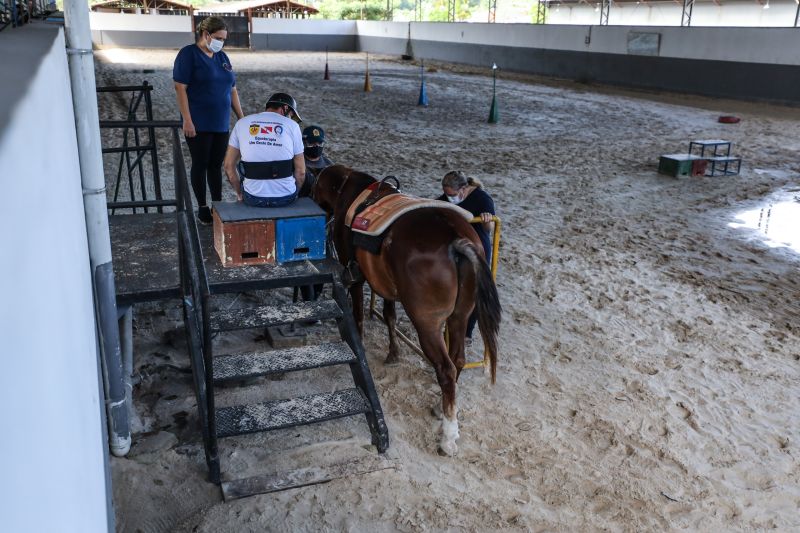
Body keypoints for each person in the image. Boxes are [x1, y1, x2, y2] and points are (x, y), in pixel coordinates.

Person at [173, 16, 244, 224]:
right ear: (206, 35)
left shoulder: (223, 57)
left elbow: (232, 89)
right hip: (198, 122)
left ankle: (217, 203)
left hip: (220, 122)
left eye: (224, 39)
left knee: (216, 164)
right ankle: (202, 206)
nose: (222, 42)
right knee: (201, 163)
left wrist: (241, 117)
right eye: (219, 37)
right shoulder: (189, 54)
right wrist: (187, 119)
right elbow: (180, 88)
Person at [437, 170, 496, 345]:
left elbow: (490, 228)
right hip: (454, 246)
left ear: (463, 189)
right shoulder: (446, 198)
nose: (449, 198)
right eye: (446, 194)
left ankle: (467, 333)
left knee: (475, 290)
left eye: (452, 195)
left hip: (477, 247)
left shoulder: (482, 198)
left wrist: (486, 219)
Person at [224, 93, 305, 207]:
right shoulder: (292, 126)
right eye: (291, 115)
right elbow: (301, 172)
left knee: (241, 165)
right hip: (285, 198)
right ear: (285, 109)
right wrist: (294, 192)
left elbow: (228, 166)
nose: (291, 118)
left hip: (253, 198)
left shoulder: (242, 123)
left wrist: (239, 194)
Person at [299, 125, 335, 199]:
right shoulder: (296, 164)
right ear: (303, 143)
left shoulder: (329, 166)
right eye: (312, 143)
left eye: (320, 143)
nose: (317, 146)